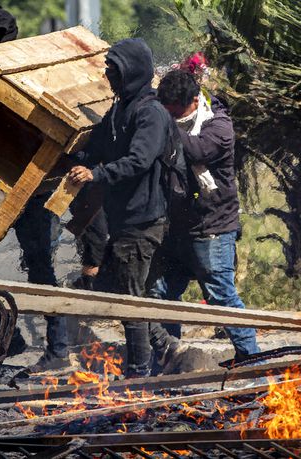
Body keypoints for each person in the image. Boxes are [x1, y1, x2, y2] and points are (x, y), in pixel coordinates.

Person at [0, 2, 71, 371]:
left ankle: (58, 349)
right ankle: (8, 335)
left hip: (35, 189)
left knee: (41, 269)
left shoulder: (29, 77)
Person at [68, 38, 172, 378]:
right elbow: (97, 145)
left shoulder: (151, 113)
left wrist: (96, 174)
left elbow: (139, 160)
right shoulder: (119, 110)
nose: (108, 76)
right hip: (122, 220)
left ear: (132, 73)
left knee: (129, 301)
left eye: (114, 71)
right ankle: (163, 344)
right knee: (117, 289)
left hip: (142, 222)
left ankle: (139, 374)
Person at [145, 69, 260, 371]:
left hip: (212, 228)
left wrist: (162, 123)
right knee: (162, 293)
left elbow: (197, 150)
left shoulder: (218, 126)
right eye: (165, 109)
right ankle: (170, 360)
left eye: (175, 111)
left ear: (194, 101)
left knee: (221, 296)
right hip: (179, 228)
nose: (170, 115)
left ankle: (252, 362)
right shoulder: (174, 118)